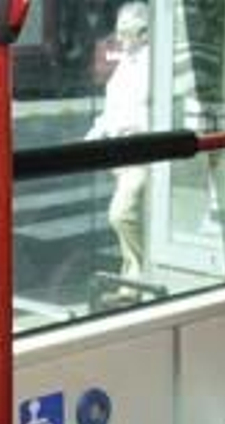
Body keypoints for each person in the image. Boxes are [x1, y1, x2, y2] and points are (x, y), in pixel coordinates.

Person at [85, 1, 153, 286]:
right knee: (134, 217)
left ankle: (141, 277)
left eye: (127, 32)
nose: (120, 38)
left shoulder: (154, 65)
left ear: (145, 32)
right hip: (121, 152)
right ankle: (132, 282)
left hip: (143, 150)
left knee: (121, 214)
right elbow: (112, 109)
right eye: (119, 31)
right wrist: (92, 137)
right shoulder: (127, 62)